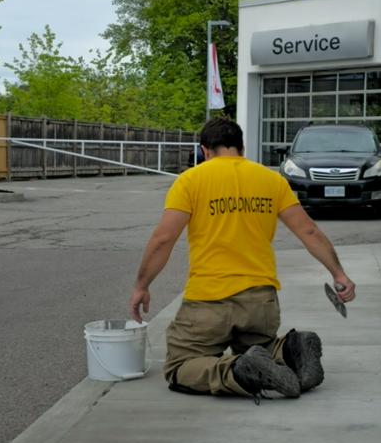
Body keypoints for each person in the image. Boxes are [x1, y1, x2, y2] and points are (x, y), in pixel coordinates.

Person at [129, 116, 356, 402]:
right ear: (242, 148)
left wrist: (141, 285)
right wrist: (339, 275)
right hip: (261, 303)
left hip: (210, 302)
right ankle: (288, 349)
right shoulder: (271, 180)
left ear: (205, 150)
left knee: (180, 366)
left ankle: (239, 371)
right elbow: (308, 231)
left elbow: (163, 239)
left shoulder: (191, 180)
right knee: (257, 345)